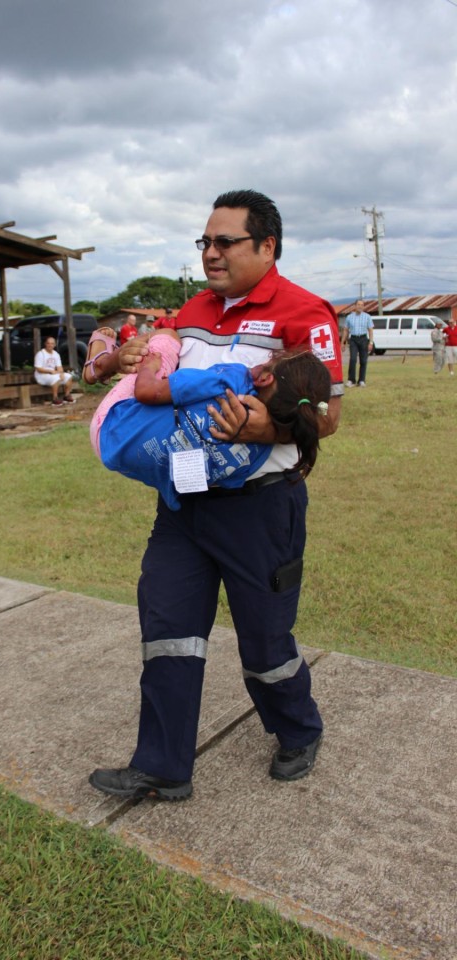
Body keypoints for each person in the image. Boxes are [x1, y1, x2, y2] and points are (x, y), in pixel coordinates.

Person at [88, 189, 343, 801]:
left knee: (263, 640)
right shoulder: (194, 307)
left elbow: (326, 415)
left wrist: (265, 427)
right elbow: (158, 367)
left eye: (225, 241)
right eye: (205, 241)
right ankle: (163, 766)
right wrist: (124, 356)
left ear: (267, 246)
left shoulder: (304, 312)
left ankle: (298, 728)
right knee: (169, 628)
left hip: (261, 508)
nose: (211, 252)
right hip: (183, 501)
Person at [85, 327, 331, 512]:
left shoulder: (233, 380)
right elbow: (224, 481)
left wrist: (149, 368)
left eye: (269, 361)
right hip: (128, 462)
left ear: (265, 377)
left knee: (167, 337)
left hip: (109, 424)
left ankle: (97, 364)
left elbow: (147, 392)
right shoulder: (258, 453)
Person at [340, 300, 374, 387]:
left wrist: (370, 342)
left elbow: (370, 330)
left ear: (364, 307)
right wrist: (343, 342)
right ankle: (351, 380)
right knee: (353, 359)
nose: (360, 306)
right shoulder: (349, 317)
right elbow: (346, 330)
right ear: (355, 306)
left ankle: (361, 380)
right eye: (358, 305)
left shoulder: (367, 317)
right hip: (353, 339)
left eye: (362, 305)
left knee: (363, 360)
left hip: (363, 339)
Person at [33, 336, 74, 406]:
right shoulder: (40, 354)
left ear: (54, 345)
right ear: (45, 344)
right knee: (56, 378)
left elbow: (59, 367)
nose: (50, 345)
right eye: (48, 343)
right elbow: (38, 369)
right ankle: (55, 398)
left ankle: (67, 395)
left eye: (52, 343)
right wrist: (50, 371)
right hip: (41, 375)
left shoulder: (56, 354)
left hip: (53, 374)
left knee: (68, 376)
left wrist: (61, 373)